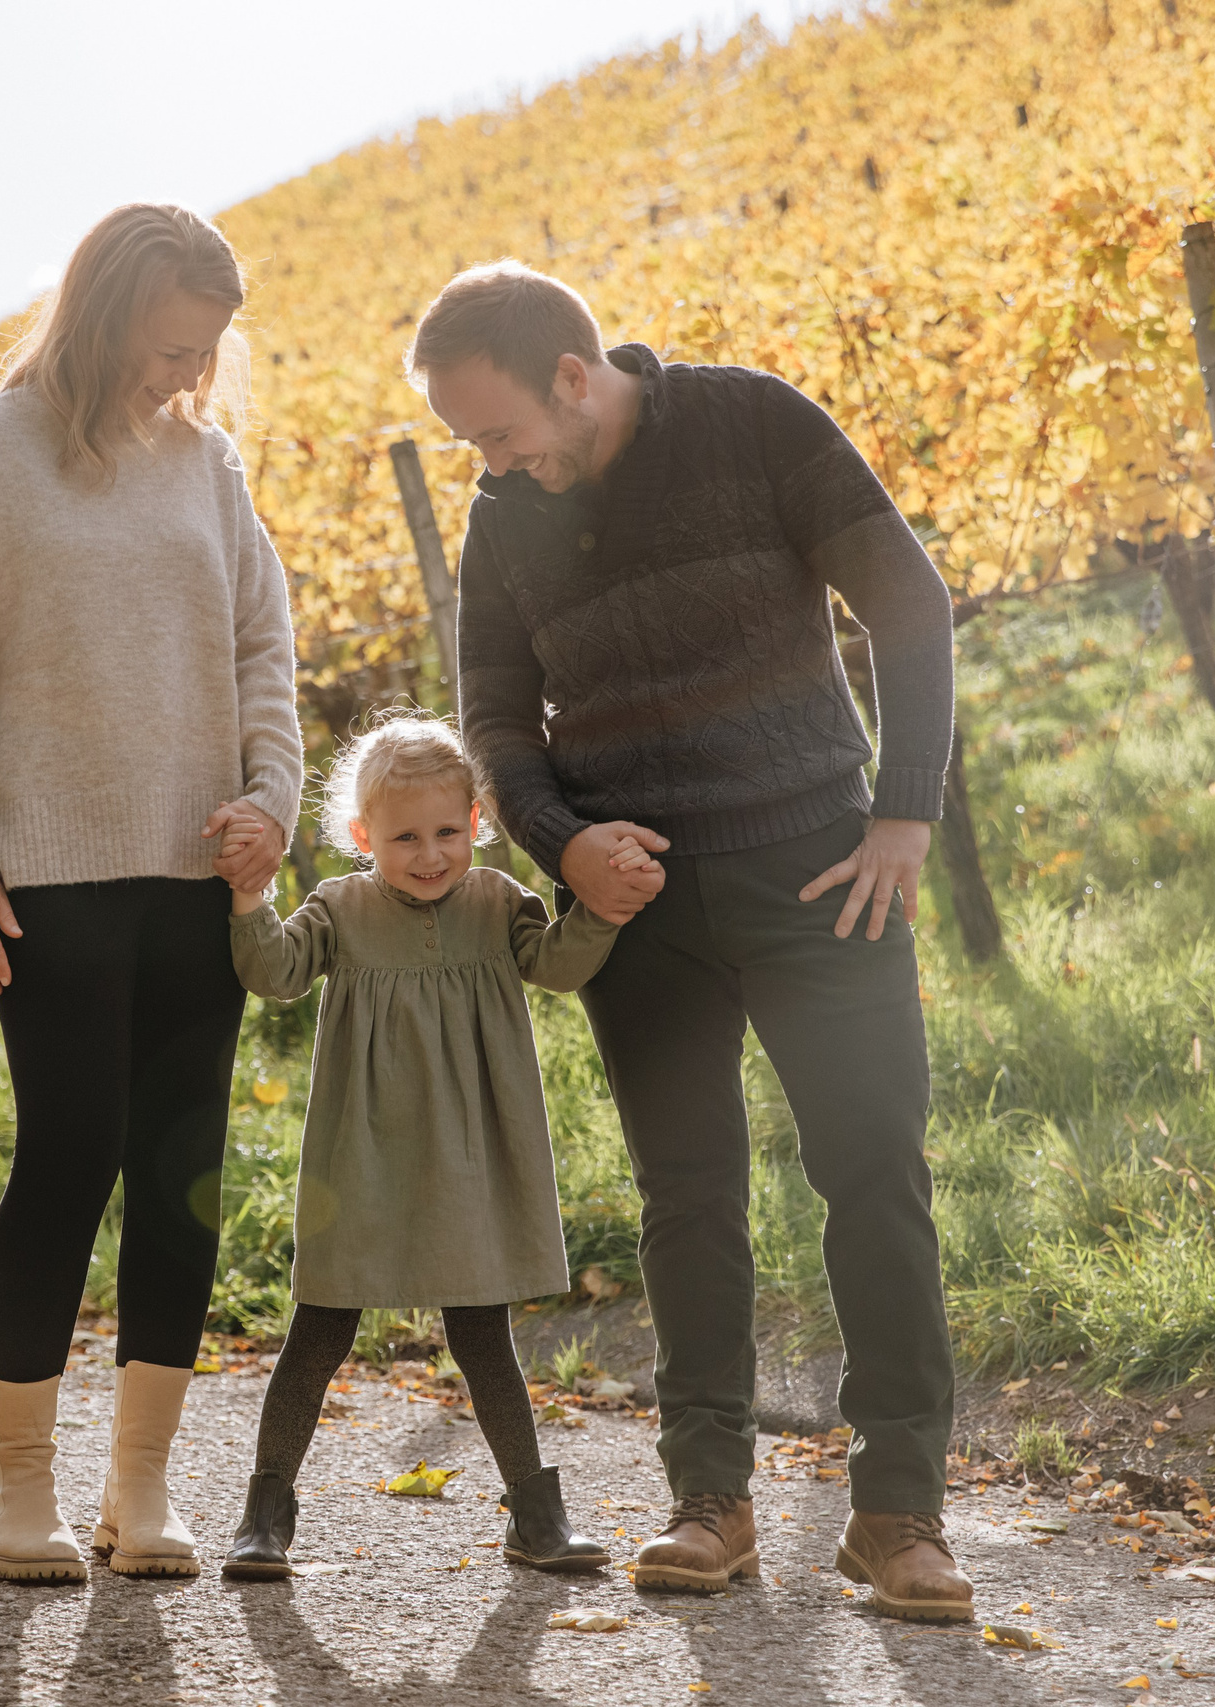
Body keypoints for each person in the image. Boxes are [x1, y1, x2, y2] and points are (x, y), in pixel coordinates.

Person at [412, 261, 973, 1622]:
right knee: (688, 1195)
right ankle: (708, 1498)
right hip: (638, 906)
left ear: (569, 371)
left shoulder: (753, 422)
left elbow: (910, 604)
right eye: (465, 443)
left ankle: (899, 1511)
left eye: (493, 430)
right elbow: (494, 719)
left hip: (821, 874)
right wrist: (564, 845)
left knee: (875, 1174)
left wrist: (904, 814)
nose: (487, 462)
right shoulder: (504, 522)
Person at [0, 202, 302, 1584]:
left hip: (199, 872)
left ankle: (142, 1487)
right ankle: (20, 1492)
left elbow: (264, 650)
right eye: (170, 343)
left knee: (182, 1175)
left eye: (208, 352)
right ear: (105, 307)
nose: (186, 375)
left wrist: (275, 805)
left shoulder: (210, 464)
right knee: (67, 1156)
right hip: (48, 877)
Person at [215, 714, 646, 1581]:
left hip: (470, 1159)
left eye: (448, 831)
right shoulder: (340, 907)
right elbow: (277, 973)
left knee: (482, 1333)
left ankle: (536, 1515)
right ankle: (264, 1517)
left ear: (477, 823)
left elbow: (559, 964)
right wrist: (248, 900)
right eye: (404, 836)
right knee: (320, 1327)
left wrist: (600, 908)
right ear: (363, 835)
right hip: (361, 1156)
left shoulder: (496, 902)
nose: (430, 853)